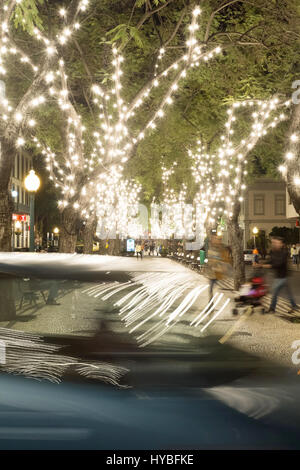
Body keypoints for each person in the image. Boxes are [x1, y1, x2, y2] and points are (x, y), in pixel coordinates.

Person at [257, 236, 299, 314]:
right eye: (273, 242)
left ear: (281, 244)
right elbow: (270, 260)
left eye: (276, 242)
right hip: (279, 276)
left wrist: (265, 266)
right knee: (288, 292)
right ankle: (294, 306)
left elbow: (278, 264)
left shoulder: (284, 252)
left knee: (274, 292)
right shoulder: (273, 251)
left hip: (282, 276)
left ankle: (272, 309)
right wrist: (261, 264)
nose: (274, 244)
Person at [207, 233, 232, 301]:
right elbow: (210, 260)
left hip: (221, 273)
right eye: (215, 239)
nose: (217, 240)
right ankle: (211, 299)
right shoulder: (211, 248)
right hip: (213, 273)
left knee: (220, 288)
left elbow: (226, 257)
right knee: (211, 288)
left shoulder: (222, 247)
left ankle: (214, 299)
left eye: (218, 239)